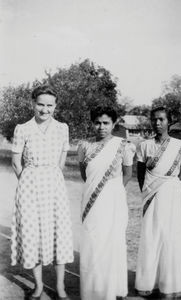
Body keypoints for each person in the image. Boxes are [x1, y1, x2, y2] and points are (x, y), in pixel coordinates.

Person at [11, 85, 73, 300]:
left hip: (54, 185)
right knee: (32, 235)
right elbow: (16, 163)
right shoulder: (22, 128)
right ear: (33, 104)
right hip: (29, 186)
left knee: (59, 233)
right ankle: (38, 286)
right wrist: (29, 182)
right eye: (40, 104)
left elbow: (62, 161)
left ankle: (60, 286)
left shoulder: (62, 128)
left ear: (55, 106)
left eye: (49, 105)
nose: (45, 110)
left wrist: (50, 177)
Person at [78, 106, 135, 300]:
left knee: (111, 241)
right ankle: (92, 290)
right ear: (92, 123)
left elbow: (127, 174)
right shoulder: (84, 146)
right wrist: (96, 191)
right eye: (97, 123)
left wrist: (113, 191)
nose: (101, 127)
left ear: (113, 124)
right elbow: (85, 174)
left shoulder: (123, 145)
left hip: (113, 200)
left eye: (106, 123)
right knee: (92, 241)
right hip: (91, 200)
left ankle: (110, 289)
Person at [135, 106, 181, 298]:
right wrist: (149, 193)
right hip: (152, 195)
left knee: (171, 237)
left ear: (169, 122)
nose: (157, 123)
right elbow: (141, 175)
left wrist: (167, 188)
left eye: (161, 119)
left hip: (172, 194)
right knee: (152, 236)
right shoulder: (144, 145)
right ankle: (149, 283)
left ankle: (171, 284)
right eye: (154, 120)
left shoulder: (179, 146)